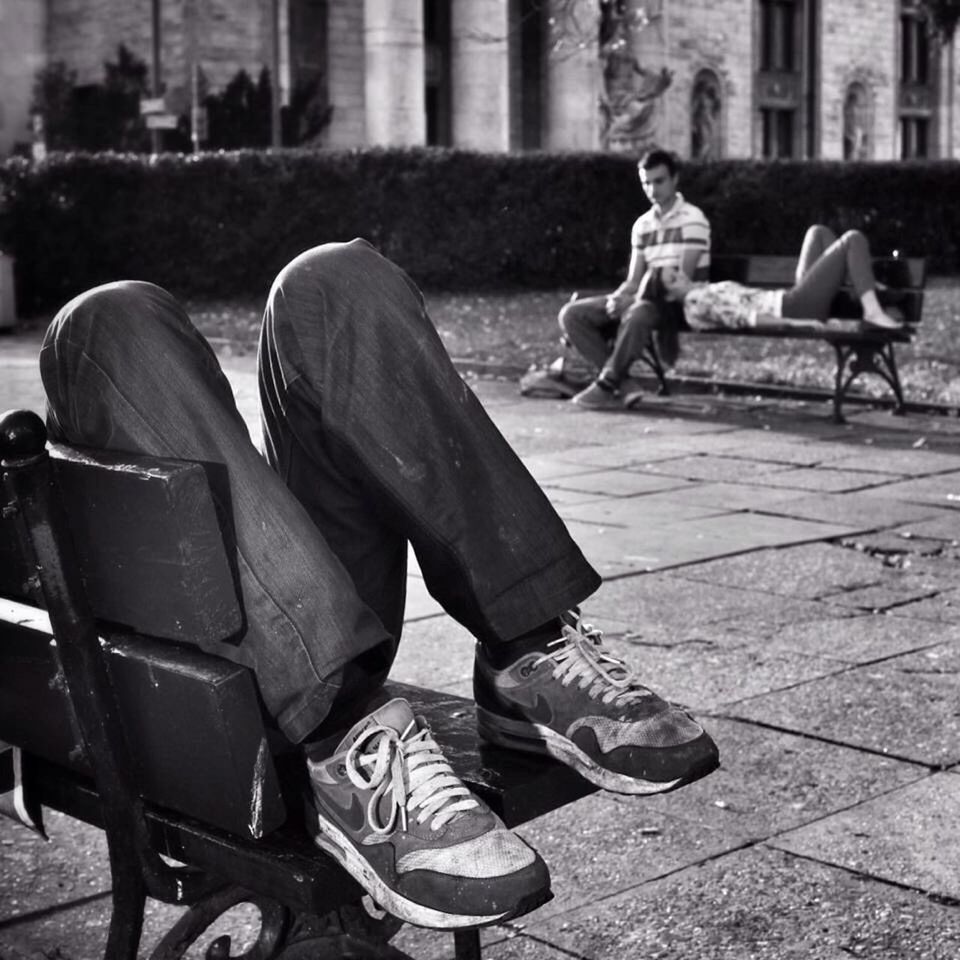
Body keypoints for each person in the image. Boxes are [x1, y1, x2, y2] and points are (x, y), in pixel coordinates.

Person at [39, 239, 719, 932]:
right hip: (209, 684)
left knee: (329, 280)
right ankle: (343, 737)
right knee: (106, 320)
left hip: (315, 631)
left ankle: (526, 644)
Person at [560, 149, 711, 409]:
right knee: (572, 315)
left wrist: (632, 300)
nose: (652, 189)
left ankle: (607, 383)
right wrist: (619, 298)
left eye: (659, 181)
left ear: (675, 179)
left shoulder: (693, 219)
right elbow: (634, 279)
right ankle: (625, 384)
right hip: (645, 297)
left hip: (679, 302)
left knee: (639, 311)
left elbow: (681, 281)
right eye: (646, 183)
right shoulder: (643, 225)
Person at [661, 225, 902, 332]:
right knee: (853, 239)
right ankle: (872, 310)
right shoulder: (697, 301)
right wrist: (802, 325)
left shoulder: (699, 295)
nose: (681, 274)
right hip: (794, 309)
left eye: (676, 270)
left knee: (818, 232)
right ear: (669, 296)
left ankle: (865, 284)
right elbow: (749, 318)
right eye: (673, 279)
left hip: (791, 301)